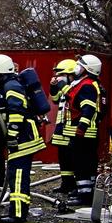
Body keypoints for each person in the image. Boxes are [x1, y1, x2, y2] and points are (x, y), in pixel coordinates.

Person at [0, 54, 45, 223]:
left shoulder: (12, 86)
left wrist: (12, 135)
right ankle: (16, 209)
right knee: (14, 174)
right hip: (18, 138)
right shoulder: (2, 87)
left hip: (23, 138)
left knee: (17, 175)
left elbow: (17, 113)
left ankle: (18, 213)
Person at [64, 54, 104, 207]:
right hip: (84, 133)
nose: (76, 68)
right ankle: (85, 192)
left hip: (84, 133)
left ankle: (85, 195)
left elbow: (88, 109)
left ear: (87, 69)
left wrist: (81, 128)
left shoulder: (86, 85)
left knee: (82, 164)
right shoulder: (82, 83)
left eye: (79, 65)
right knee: (85, 163)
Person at [49, 59, 77, 193]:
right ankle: (66, 183)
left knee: (73, 157)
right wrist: (54, 87)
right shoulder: (64, 88)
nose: (58, 77)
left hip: (72, 128)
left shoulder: (76, 87)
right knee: (63, 156)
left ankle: (76, 185)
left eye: (61, 75)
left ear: (70, 75)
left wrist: (62, 85)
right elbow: (55, 99)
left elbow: (72, 98)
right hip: (61, 127)